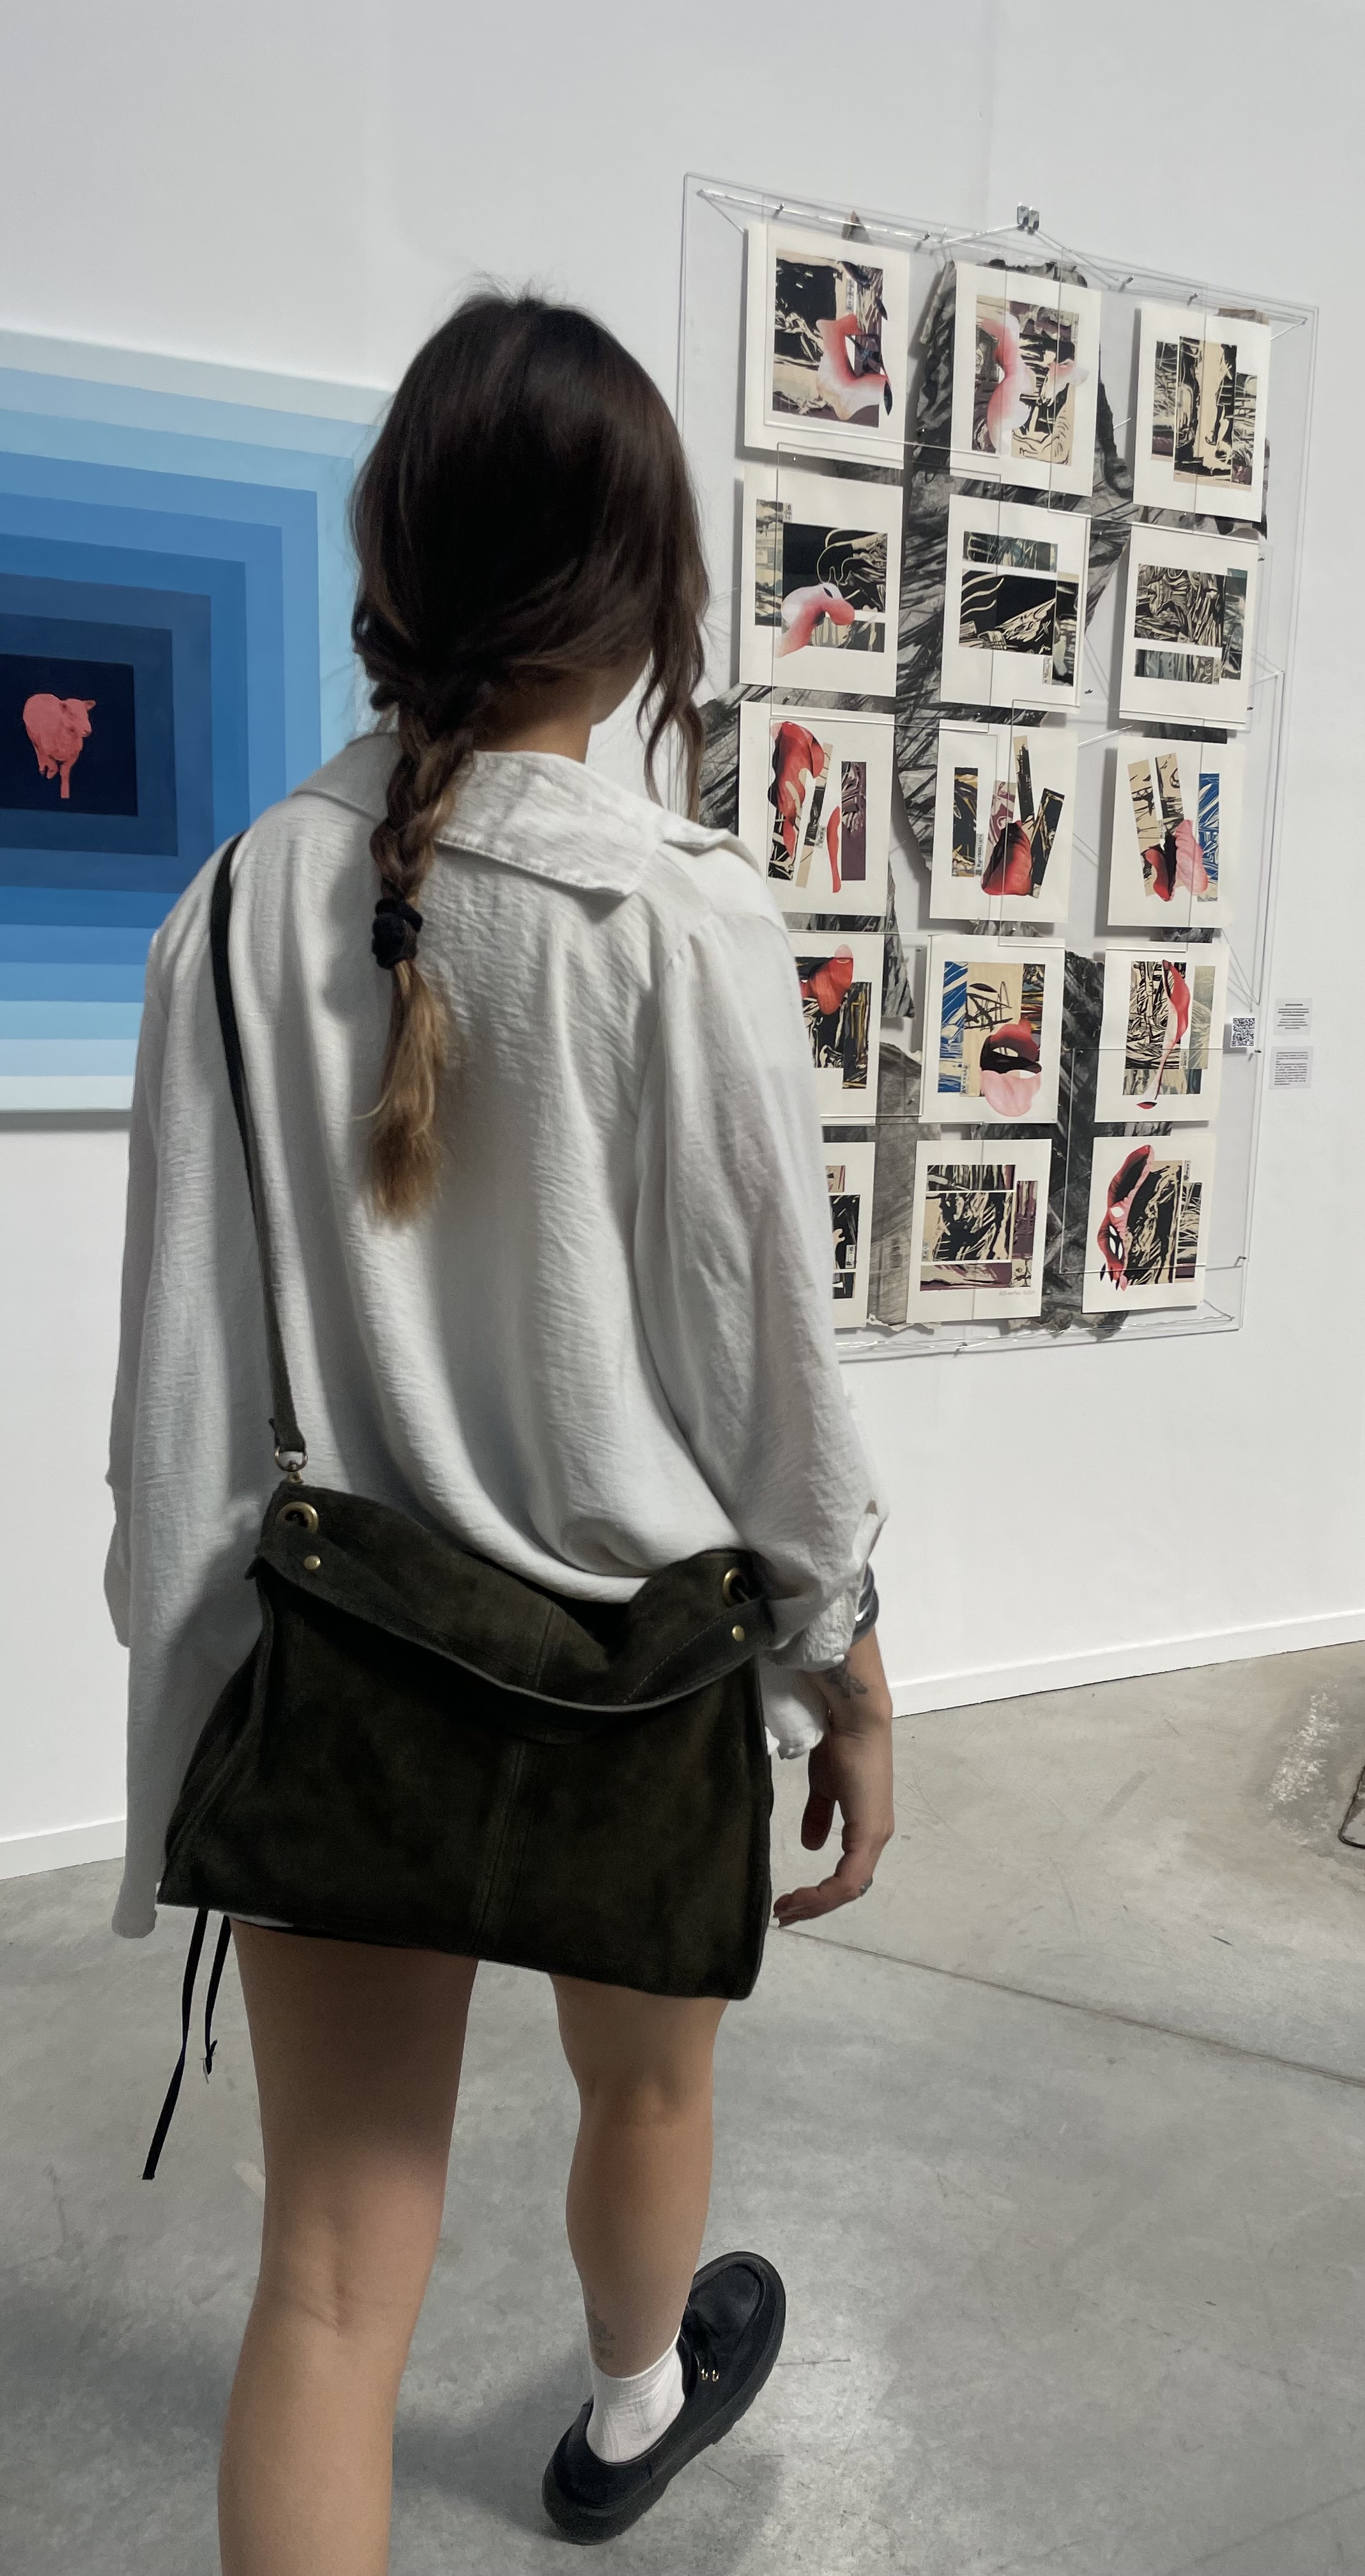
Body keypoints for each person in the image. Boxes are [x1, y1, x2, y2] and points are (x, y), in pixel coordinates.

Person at [105, 289, 892, 2572]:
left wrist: (189, 1714)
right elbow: (768, 1376)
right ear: (650, 587)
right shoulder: (678, 916)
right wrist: (842, 1664)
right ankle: (635, 2406)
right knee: (646, 2081)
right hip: (638, 1676)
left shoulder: (236, 902)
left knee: (330, 2281)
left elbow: (178, 1394)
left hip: (338, 1684)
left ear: (392, 563)